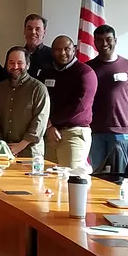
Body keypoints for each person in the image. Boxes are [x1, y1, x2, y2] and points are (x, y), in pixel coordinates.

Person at [87, 25, 128, 174]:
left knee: (120, 176)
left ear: (115, 40)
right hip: (94, 133)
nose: (104, 44)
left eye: (108, 39)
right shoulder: (88, 68)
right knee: (99, 175)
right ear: (94, 42)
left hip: (121, 133)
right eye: (100, 40)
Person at [38, 35, 97, 172]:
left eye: (67, 49)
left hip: (73, 134)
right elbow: (40, 101)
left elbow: (80, 105)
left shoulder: (85, 73)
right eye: (58, 49)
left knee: (70, 179)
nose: (63, 53)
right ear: (52, 52)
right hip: (50, 133)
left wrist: (52, 122)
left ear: (74, 50)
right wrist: (49, 126)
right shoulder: (46, 73)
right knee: (49, 180)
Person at [0, 47, 50, 158]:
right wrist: (3, 144)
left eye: (20, 63)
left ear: (28, 65)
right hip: (4, 151)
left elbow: (40, 120)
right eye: (11, 63)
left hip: (30, 152)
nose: (15, 67)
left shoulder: (38, 88)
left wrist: (20, 145)